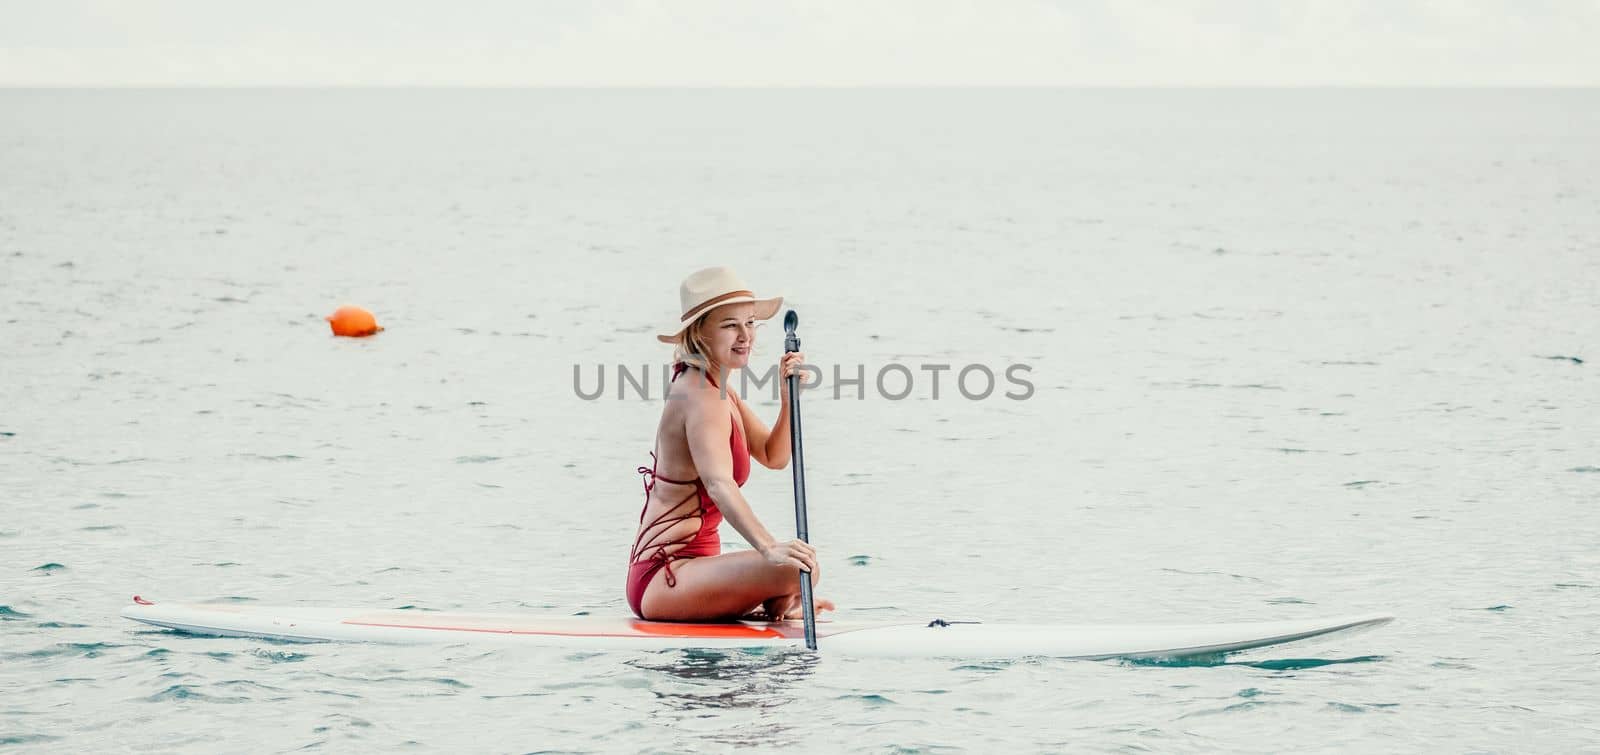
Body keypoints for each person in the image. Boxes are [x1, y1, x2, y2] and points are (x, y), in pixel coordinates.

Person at [626, 266, 836, 622]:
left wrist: (787, 401)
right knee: (798, 568)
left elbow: (774, 455)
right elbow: (718, 483)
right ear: (700, 333)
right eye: (730, 325)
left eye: (751, 323)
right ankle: (779, 601)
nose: (745, 336)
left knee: (802, 566)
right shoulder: (699, 394)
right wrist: (769, 548)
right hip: (666, 576)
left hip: (693, 572)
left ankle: (775, 602)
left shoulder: (721, 391)